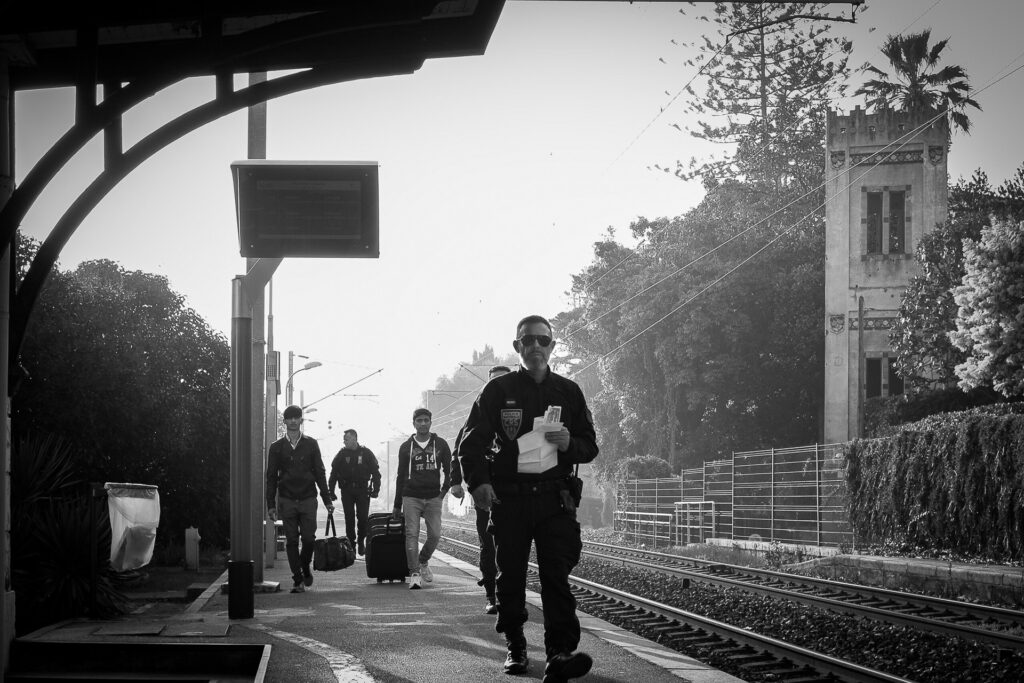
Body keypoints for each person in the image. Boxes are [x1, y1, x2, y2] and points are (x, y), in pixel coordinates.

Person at [459, 315, 598, 682]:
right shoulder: (496, 392)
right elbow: (469, 446)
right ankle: (516, 645)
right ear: (517, 346)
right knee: (512, 577)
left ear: (552, 346)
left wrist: (571, 445)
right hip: (511, 500)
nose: (535, 346)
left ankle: (560, 653)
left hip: (555, 500)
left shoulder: (568, 392)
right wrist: (478, 484)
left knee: (556, 576)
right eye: (528, 341)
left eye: (543, 340)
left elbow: (590, 446)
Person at [453, 364, 511, 615]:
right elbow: (459, 450)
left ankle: (510, 594)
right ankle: (491, 593)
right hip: (486, 492)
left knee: (512, 545)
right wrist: (457, 482)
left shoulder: (520, 415)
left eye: (502, 381)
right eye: (492, 383)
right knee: (488, 543)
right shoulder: (475, 420)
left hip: (513, 490)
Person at [392, 407, 463, 590]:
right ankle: (414, 573)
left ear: (430, 422)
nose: (423, 423)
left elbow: (450, 470)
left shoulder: (440, 445)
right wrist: (397, 506)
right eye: (419, 420)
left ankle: (423, 561)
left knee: (435, 535)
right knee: (412, 535)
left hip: (433, 497)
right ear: (414, 423)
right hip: (411, 496)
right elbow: (400, 476)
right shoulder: (406, 447)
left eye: (426, 420)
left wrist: (443, 492)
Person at [266, 404, 334, 594]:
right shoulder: (276, 447)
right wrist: (271, 505)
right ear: (285, 421)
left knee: (309, 539)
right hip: (287, 499)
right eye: (290, 418)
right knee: (292, 541)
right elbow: (271, 477)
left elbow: (320, 472)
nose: (293, 421)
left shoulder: (311, 444)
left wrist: (327, 500)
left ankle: (305, 568)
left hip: (308, 498)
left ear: (301, 420)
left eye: (297, 417)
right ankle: (297, 580)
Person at [328, 428, 382, 556]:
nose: (344, 441)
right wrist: (331, 491)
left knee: (363, 518)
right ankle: (351, 543)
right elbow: (333, 474)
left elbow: (376, 473)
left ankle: (361, 539)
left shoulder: (366, 453)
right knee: (349, 518)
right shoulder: (341, 455)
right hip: (347, 490)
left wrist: (376, 490)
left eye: (346, 439)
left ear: (354, 439)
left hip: (363, 490)